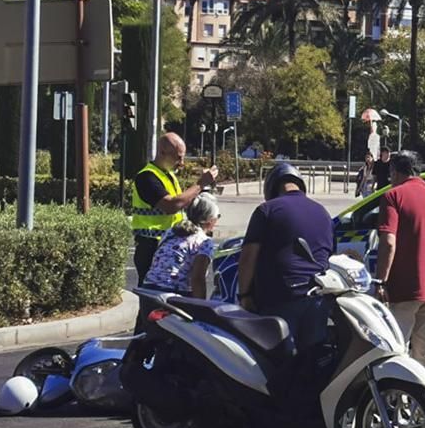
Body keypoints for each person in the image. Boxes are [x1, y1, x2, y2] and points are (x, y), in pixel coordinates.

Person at [236, 163, 334, 352]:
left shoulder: (267, 210)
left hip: (279, 297)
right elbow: (328, 254)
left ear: (272, 187)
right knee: (311, 362)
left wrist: (245, 295)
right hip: (318, 298)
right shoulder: (323, 213)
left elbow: (248, 257)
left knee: (276, 364)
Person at [375, 151, 425, 392]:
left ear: (395, 171)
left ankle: (399, 408)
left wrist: (380, 281)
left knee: (395, 351)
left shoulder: (393, 196)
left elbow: (388, 243)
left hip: (404, 288)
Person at [132, 133, 218, 285]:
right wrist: (200, 184)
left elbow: (182, 205)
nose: (182, 163)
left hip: (169, 245)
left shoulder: (168, 175)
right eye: (178, 157)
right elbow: (171, 206)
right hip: (150, 246)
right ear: (162, 152)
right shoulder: (147, 177)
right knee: (152, 298)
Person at [143, 193, 220, 298]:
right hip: (174, 294)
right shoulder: (204, 242)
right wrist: (202, 308)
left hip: (147, 289)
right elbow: (197, 279)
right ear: (210, 220)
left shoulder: (170, 232)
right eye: (217, 216)